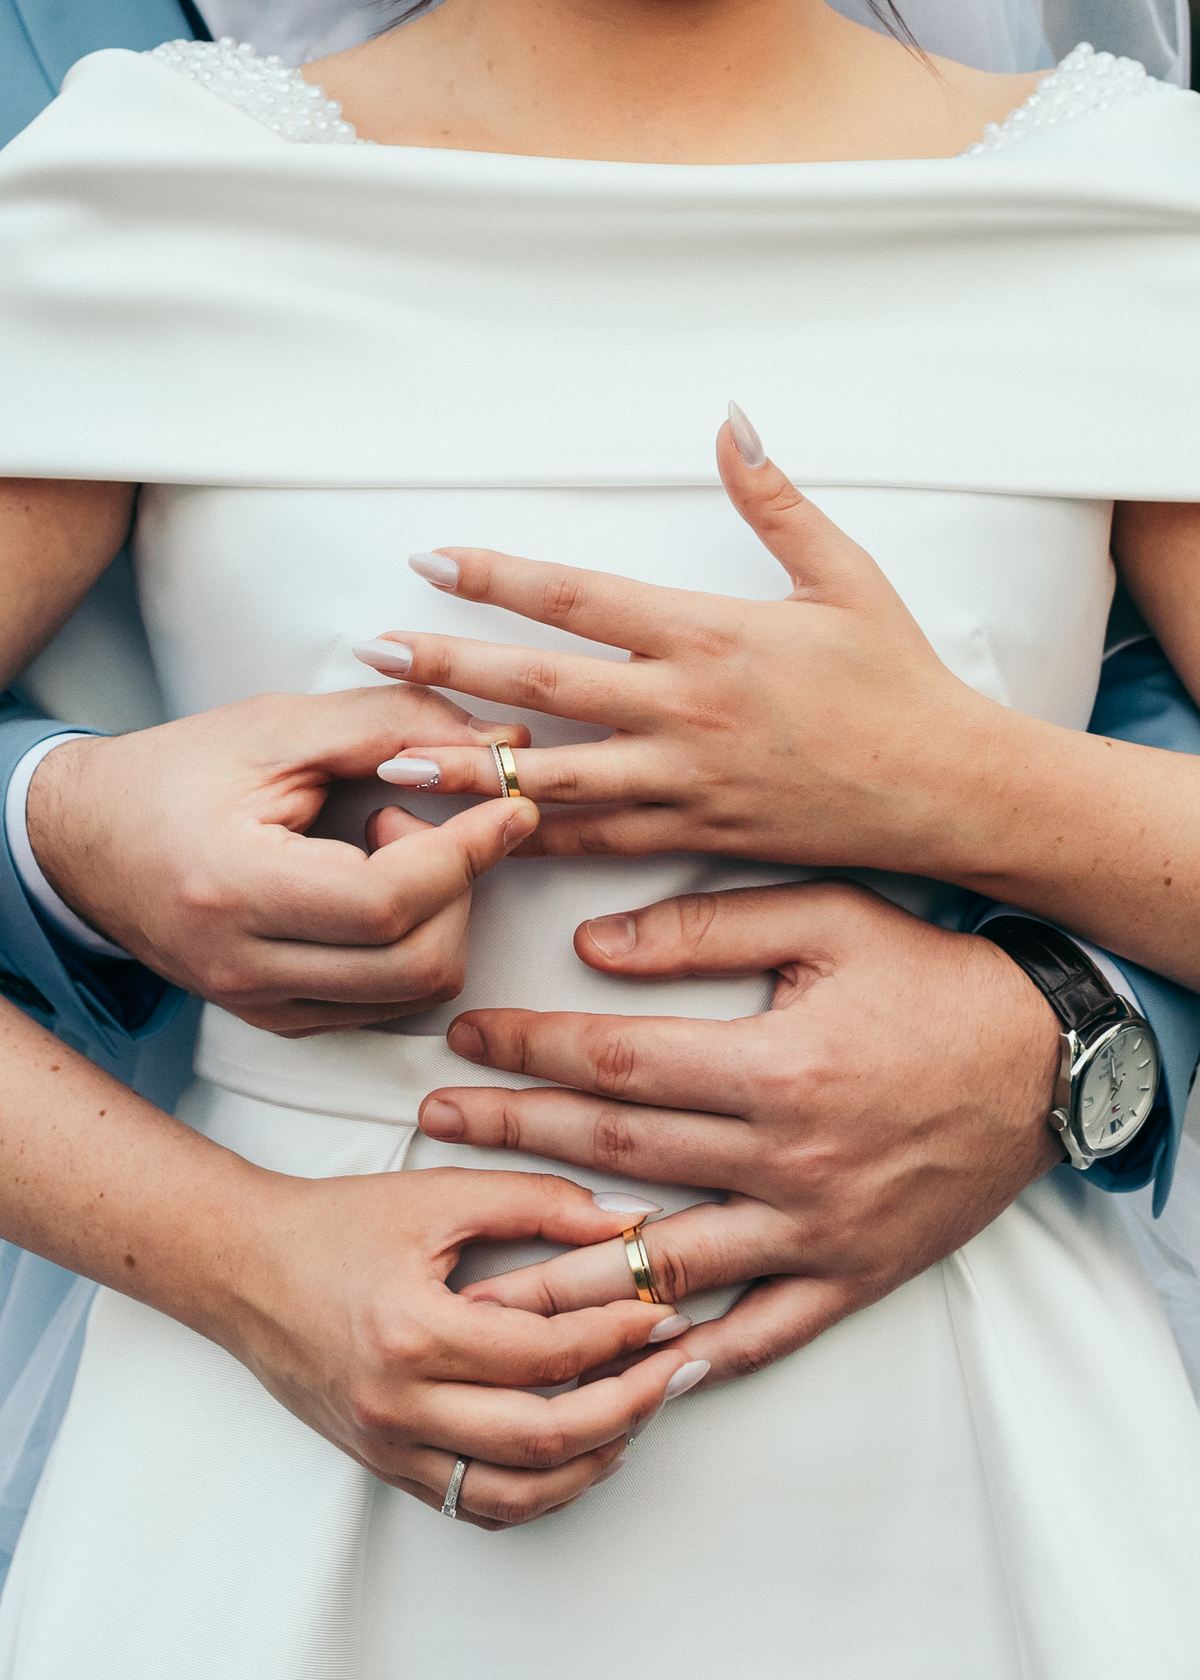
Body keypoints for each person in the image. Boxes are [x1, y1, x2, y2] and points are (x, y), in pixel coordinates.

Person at [2, 0, 1200, 1674]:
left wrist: (957, 783)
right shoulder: (158, 181)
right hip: (280, 1428)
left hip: (958, 1450)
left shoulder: (1124, 205)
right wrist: (236, 1258)